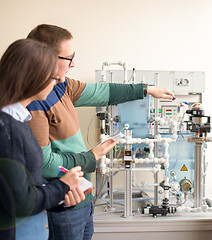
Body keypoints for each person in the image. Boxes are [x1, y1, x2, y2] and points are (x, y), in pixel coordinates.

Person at [26, 24, 175, 240]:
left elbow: (101, 92)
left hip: (84, 200)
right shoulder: (35, 102)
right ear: (45, 57)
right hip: (64, 205)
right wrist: (91, 158)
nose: (73, 63)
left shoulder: (62, 86)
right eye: (69, 58)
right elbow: (46, 163)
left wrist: (146, 90)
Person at [0, 39, 90, 240]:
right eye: (53, 78)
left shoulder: (18, 120)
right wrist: (62, 186)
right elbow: (19, 202)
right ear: (33, 78)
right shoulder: (6, 129)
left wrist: (61, 198)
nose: (57, 83)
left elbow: (28, 185)